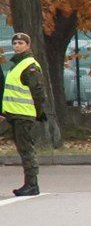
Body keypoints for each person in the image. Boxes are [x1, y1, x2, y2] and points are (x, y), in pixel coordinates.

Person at [4, 32, 46, 197]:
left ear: (28, 46)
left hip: (24, 115)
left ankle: (31, 184)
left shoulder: (29, 65)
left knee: (26, 149)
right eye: (15, 43)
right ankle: (29, 184)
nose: (17, 46)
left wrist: (39, 111)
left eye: (21, 43)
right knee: (23, 149)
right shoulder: (17, 64)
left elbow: (38, 91)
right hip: (14, 114)